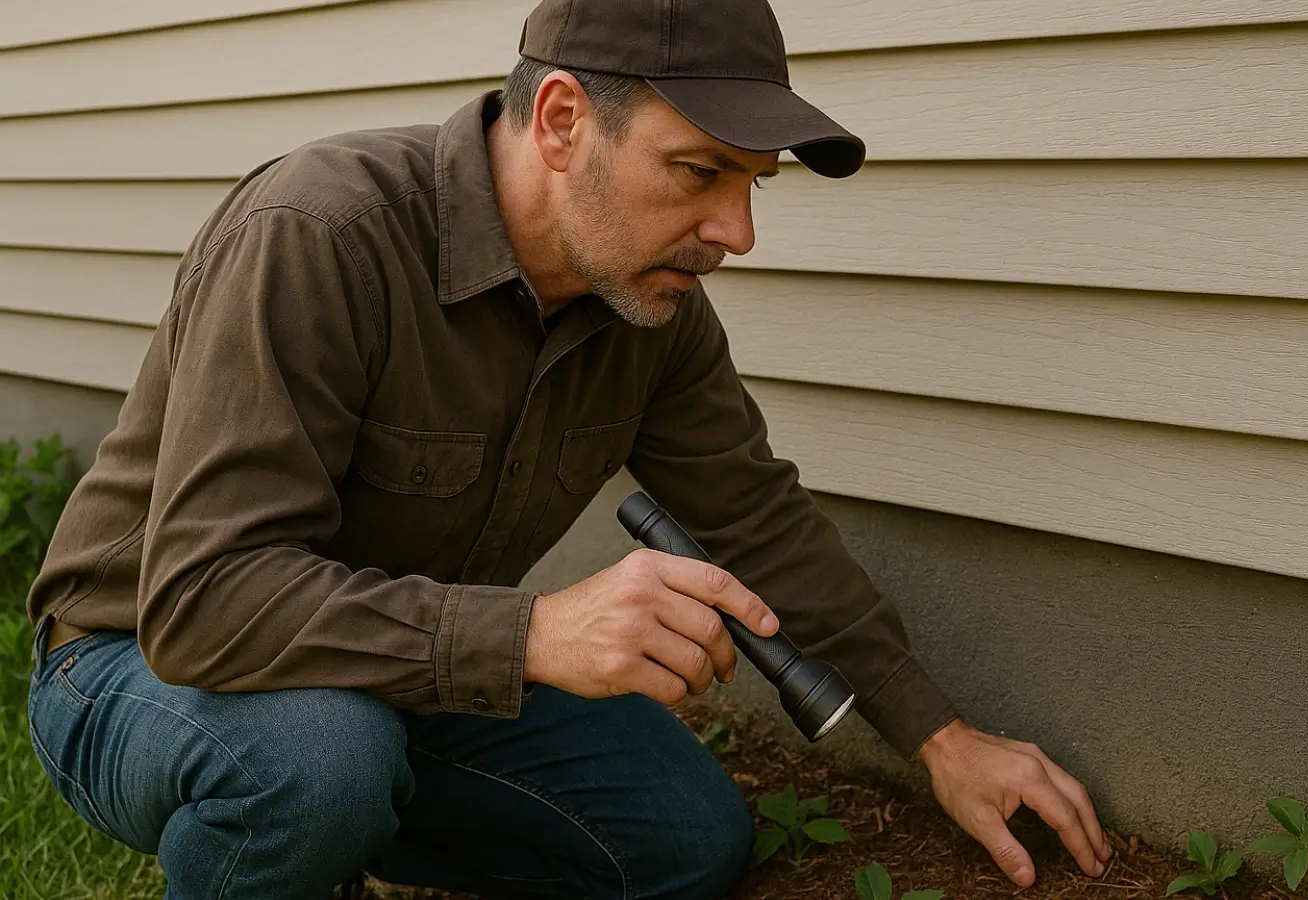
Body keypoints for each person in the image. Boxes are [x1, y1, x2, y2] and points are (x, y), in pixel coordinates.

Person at [24, 0, 1111, 897]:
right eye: (698, 173)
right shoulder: (319, 237)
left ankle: (342, 840)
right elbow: (205, 600)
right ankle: (308, 831)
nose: (737, 231)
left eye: (751, 184)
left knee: (680, 835)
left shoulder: (651, 310)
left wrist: (939, 735)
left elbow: (758, 519)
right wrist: (533, 631)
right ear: (558, 120)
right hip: (138, 665)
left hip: (393, 678)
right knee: (317, 763)